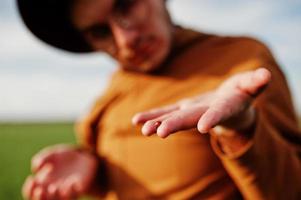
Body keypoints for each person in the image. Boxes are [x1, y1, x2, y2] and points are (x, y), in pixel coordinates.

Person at [18, 0, 301, 199]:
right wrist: (91, 165)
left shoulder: (242, 60)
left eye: (125, 4)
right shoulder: (116, 85)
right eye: (100, 31)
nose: (126, 37)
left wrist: (240, 127)